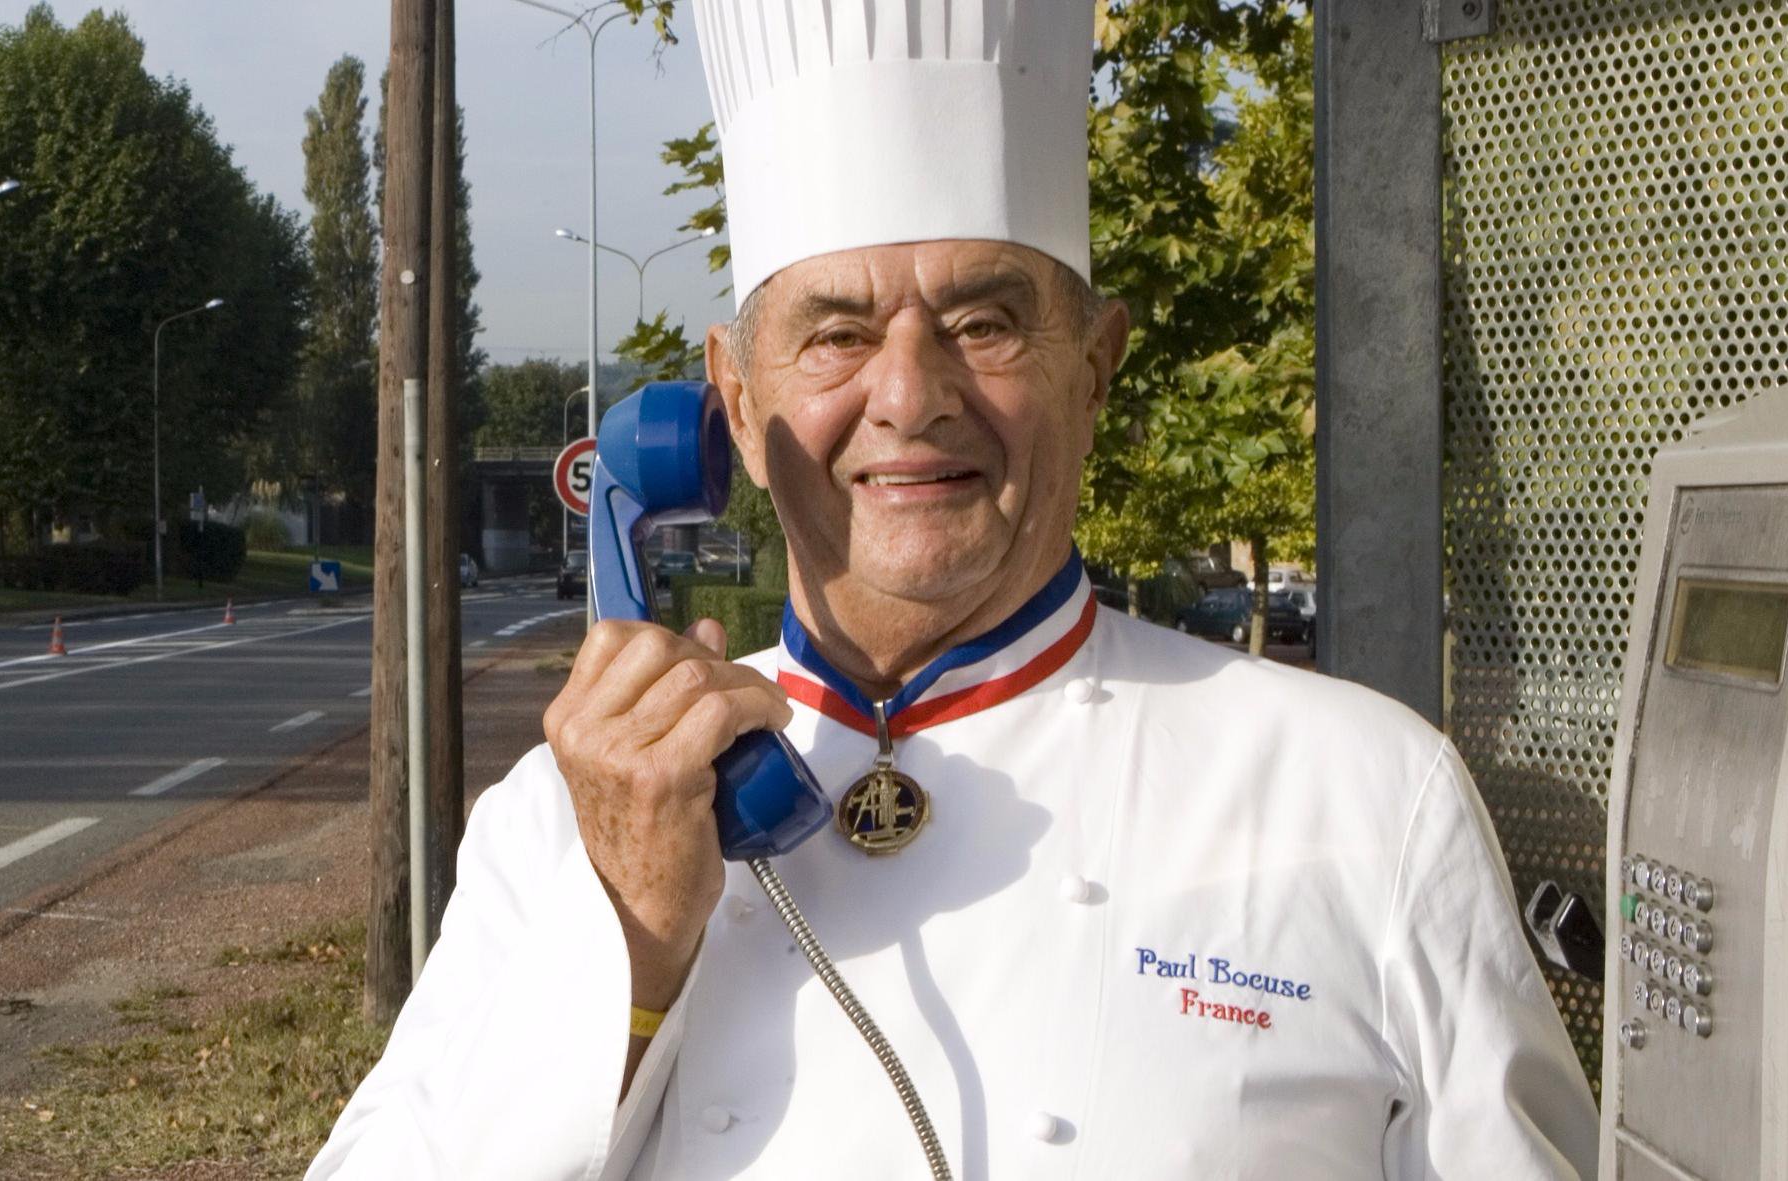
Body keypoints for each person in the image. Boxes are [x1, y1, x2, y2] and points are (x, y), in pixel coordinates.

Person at [307, 0, 1596, 1176]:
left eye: (984, 322)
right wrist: (633, 945)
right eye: (837, 335)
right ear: (737, 404)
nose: (911, 398)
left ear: (1095, 366)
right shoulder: (574, 821)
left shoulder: (1371, 798)